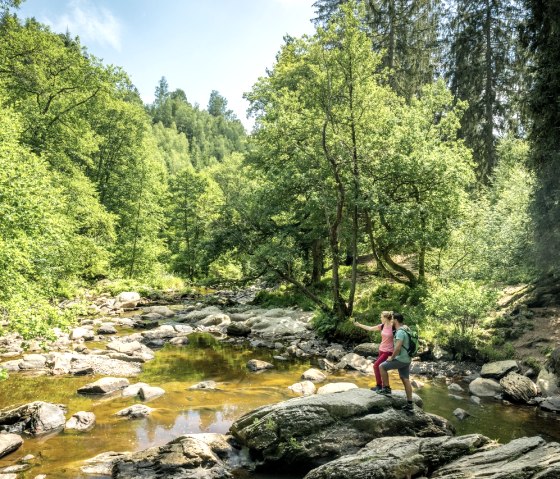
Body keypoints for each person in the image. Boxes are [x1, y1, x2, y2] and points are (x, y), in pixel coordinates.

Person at [379, 312, 414, 413]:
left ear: (396, 321)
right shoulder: (406, 328)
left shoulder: (399, 332)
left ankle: (386, 388)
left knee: (382, 366)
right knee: (405, 379)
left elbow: (398, 347)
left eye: (393, 319)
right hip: (407, 359)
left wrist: (392, 358)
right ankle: (410, 404)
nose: (391, 321)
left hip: (401, 359)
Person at [351, 311, 394, 392]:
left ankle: (379, 386)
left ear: (385, 318)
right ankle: (385, 387)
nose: (380, 318)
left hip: (388, 351)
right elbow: (370, 328)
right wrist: (359, 324)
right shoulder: (382, 326)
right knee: (382, 368)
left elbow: (400, 336)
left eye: (381, 317)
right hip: (381, 350)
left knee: (376, 366)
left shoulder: (393, 327)